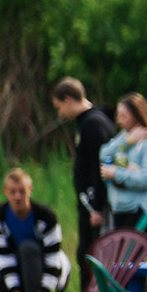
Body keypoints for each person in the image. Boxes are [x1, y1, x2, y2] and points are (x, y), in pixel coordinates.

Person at [50, 77, 117, 262]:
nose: (60, 113)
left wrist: (97, 206)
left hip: (96, 204)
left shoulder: (94, 124)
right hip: (88, 203)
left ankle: (102, 291)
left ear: (68, 99)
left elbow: (100, 166)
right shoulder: (84, 123)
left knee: (93, 255)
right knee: (86, 254)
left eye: (59, 107)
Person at [100, 92, 147, 234]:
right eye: (118, 116)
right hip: (122, 209)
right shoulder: (126, 137)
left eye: (123, 116)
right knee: (124, 255)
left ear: (137, 116)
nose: (119, 120)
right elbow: (104, 154)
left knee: (129, 254)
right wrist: (128, 141)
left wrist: (116, 174)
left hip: (145, 209)